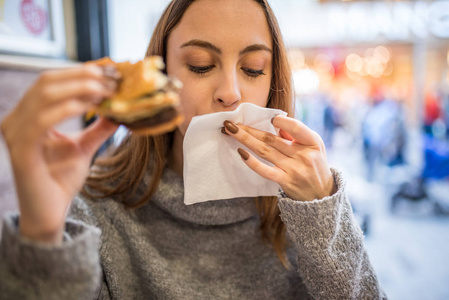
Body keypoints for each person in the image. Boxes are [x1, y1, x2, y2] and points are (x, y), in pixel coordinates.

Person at [0, 0, 386, 299]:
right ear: (163, 72)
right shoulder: (95, 213)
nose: (231, 93)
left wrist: (322, 211)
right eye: (201, 65)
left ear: (274, 82)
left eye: (253, 68)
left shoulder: (307, 204)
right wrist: (43, 233)